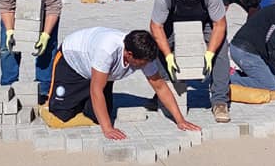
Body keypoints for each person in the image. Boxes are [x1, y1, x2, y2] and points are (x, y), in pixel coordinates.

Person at [47, 27, 201, 140]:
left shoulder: (144, 55)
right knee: (61, 115)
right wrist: (107, 129)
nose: (144, 66)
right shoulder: (107, 50)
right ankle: (49, 101)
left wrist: (180, 120)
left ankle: (82, 100)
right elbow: (96, 90)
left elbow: (160, 87)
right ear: (129, 54)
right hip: (72, 62)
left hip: (101, 74)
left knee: (96, 116)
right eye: (141, 63)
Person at [149, 0, 232, 123]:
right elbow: (156, 27)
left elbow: (219, 25)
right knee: (157, 47)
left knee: (221, 49)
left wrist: (209, 53)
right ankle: (166, 90)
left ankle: (220, 101)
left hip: (206, 18)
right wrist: (168, 55)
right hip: (173, 18)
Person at [0, 0, 62, 101]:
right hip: (17, 9)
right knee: (7, 48)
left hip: (45, 9)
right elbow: (6, 5)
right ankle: (8, 86)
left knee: (48, 48)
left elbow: (54, 7)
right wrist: (10, 31)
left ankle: (43, 88)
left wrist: (45, 35)